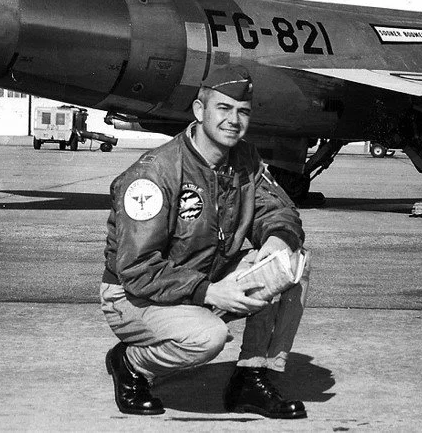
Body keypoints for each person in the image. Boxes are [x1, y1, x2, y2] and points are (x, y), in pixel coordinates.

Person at [101, 64, 309, 419]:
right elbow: (136, 268)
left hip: (203, 278)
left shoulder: (244, 159)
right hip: (133, 294)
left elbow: (277, 209)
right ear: (200, 111)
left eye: (243, 112)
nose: (234, 121)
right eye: (224, 109)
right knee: (207, 338)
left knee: (294, 262)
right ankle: (132, 362)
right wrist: (210, 294)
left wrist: (276, 239)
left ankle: (251, 377)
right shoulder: (155, 173)